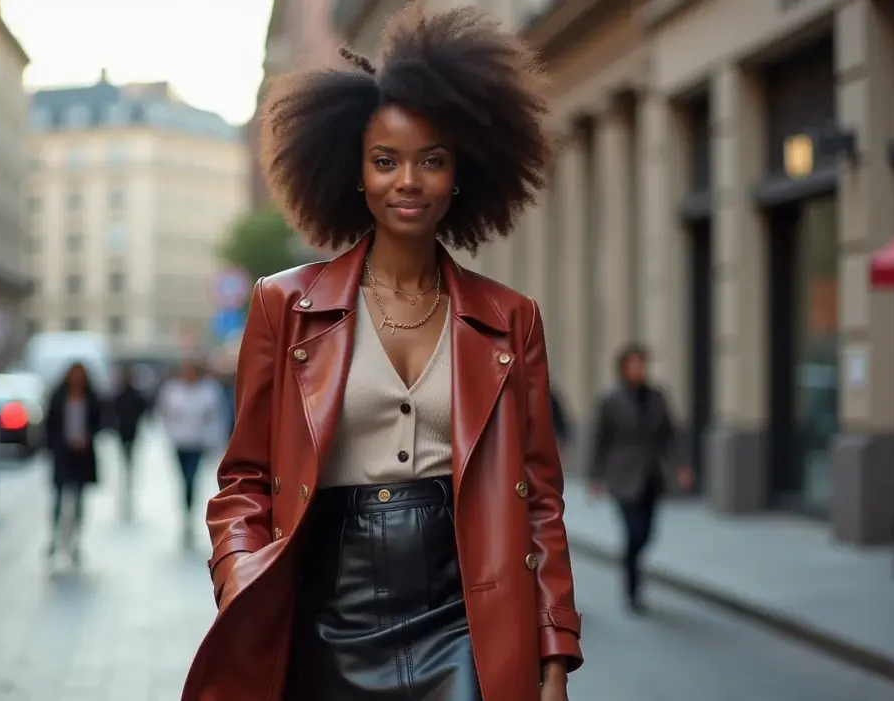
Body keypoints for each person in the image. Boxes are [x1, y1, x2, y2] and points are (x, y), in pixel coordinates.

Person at [181, 6, 582, 701]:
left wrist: (553, 652)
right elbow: (243, 478)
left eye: (431, 160)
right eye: (385, 160)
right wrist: (243, 578)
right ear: (355, 173)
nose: (408, 180)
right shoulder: (287, 306)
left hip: (464, 609)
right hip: (325, 611)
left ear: (459, 174)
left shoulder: (510, 321)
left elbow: (540, 498)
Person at [585, 343, 693, 614]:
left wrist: (681, 466)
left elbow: (670, 434)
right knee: (633, 532)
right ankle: (632, 589)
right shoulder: (611, 400)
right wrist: (595, 476)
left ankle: (631, 563)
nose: (638, 369)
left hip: (651, 475)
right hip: (622, 476)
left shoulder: (657, 397)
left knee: (646, 533)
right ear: (623, 368)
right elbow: (599, 440)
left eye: (642, 364)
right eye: (633, 364)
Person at [155, 359, 225, 547]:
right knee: (183, 478)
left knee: (191, 477)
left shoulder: (209, 390)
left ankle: (189, 509)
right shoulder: (172, 390)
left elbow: (216, 416)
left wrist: (214, 441)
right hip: (179, 442)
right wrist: (169, 434)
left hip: (198, 442)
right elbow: (164, 414)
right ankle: (186, 509)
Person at [44, 362, 103, 564]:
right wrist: (56, 445)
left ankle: (76, 539)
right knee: (59, 497)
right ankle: (55, 537)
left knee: (78, 498)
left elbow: (100, 421)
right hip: (62, 454)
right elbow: (49, 425)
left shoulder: (90, 397)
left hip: (82, 456)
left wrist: (87, 438)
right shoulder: (58, 397)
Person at [111, 365, 148, 520]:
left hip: (129, 433)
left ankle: (127, 489)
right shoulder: (124, 395)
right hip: (126, 433)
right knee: (126, 462)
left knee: (128, 462)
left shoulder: (127, 396)